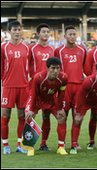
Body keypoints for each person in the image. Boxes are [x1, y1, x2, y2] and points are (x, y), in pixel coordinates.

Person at [25, 57, 68, 156]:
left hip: (51, 100)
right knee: (29, 117)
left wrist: (61, 108)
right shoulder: (38, 78)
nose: (56, 71)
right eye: (53, 68)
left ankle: (60, 147)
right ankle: (30, 147)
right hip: (37, 99)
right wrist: (31, 109)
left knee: (61, 117)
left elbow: (61, 94)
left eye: (58, 68)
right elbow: (34, 94)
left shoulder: (63, 78)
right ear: (47, 68)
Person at [54, 25, 86, 154]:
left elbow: (85, 68)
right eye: (70, 34)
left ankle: (74, 143)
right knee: (62, 115)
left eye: (74, 34)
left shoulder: (82, 50)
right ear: (65, 36)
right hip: (64, 88)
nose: (72, 36)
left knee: (77, 116)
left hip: (79, 87)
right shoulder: (58, 51)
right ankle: (61, 143)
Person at [1, 20, 29, 154]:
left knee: (22, 115)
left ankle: (20, 144)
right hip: (8, 86)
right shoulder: (3, 47)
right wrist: (4, 81)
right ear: (9, 32)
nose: (17, 32)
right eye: (14, 30)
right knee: (5, 115)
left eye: (19, 30)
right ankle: (5, 145)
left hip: (23, 86)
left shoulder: (26, 47)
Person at [28, 23, 55, 151]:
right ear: (38, 33)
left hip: (48, 89)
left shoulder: (52, 50)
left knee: (46, 116)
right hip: (34, 87)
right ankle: (28, 143)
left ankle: (43, 143)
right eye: (43, 31)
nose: (46, 34)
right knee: (30, 115)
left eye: (47, 32)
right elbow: (25, 64)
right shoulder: (31, 49)